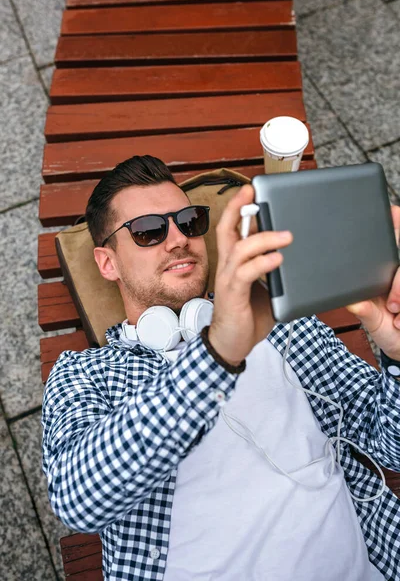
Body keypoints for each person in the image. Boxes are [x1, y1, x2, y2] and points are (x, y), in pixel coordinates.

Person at [42, 155, 400, 581]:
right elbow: (77, 500)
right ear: (107, 263)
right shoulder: (85, 374)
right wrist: (216, 355)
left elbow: (389, 445)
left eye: (189, 221)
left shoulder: (284, 325)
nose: (178, 239)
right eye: (149, 230)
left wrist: (396, 358)